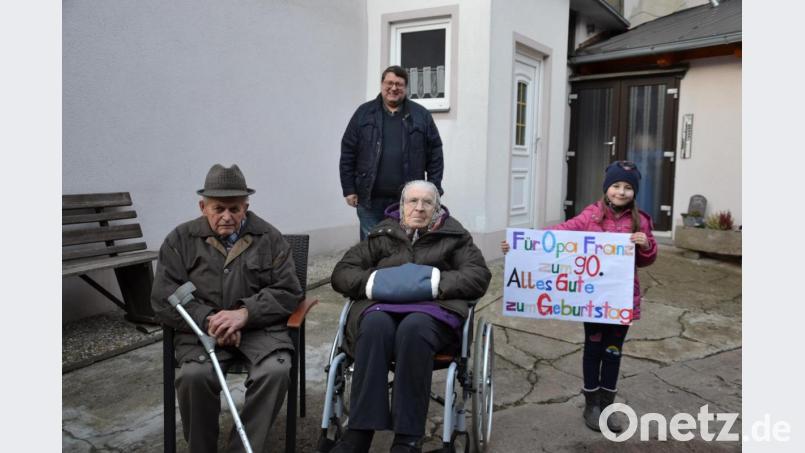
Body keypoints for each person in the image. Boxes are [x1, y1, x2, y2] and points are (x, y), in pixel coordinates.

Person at [329, 180, 491, 453]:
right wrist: (377, 282)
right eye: (412, 201)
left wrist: (433, 282)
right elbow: (343, 272)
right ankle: (359, 432)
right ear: (401, 206)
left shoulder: (454, 237)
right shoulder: (383, 235)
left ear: (437, 207)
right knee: (374, 325)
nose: (419, 208)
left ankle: (407, 438)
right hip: (382, 307)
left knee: (414, 329)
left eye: (427, 202)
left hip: (433, 313)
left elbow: (478, 275)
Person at [151, 164, 303, 453]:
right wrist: (210, 321)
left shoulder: (270, 238)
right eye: (218, 208)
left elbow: (289, 291)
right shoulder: (179, 240)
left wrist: (244, 314)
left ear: (246, 206)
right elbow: (162, 296)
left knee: (276, 371)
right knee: (193, 376)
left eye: (235, 209)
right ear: (202, 206)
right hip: (200, 332)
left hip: (259, 330)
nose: (227, 216)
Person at [501, 160, 657, 433]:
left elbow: (647, 260)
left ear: (634, 192)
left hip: (621, 302)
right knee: (593, 347)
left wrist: (646, 245)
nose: (621, 192)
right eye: (616, 186)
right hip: (593, 301)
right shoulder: (591, 216)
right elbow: (562, 232)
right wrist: (523, 241)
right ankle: (591, 403)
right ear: (607, 188)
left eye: (628, 188)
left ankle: (608, 403)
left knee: (613, 351)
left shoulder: (640, 220)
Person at [340, 65, 444, 241]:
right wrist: (349, 189)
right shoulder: (364, 114)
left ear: (405, 87)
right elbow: (348, 151)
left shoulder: (421, 115)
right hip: (369, 198)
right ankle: (373, 270)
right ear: (382, 84)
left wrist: (433, 189)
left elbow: (435, 155)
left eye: (399, 84)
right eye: (389, 83)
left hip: (407, 200)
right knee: (371, 246)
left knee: (402, 245)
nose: (394, 88)